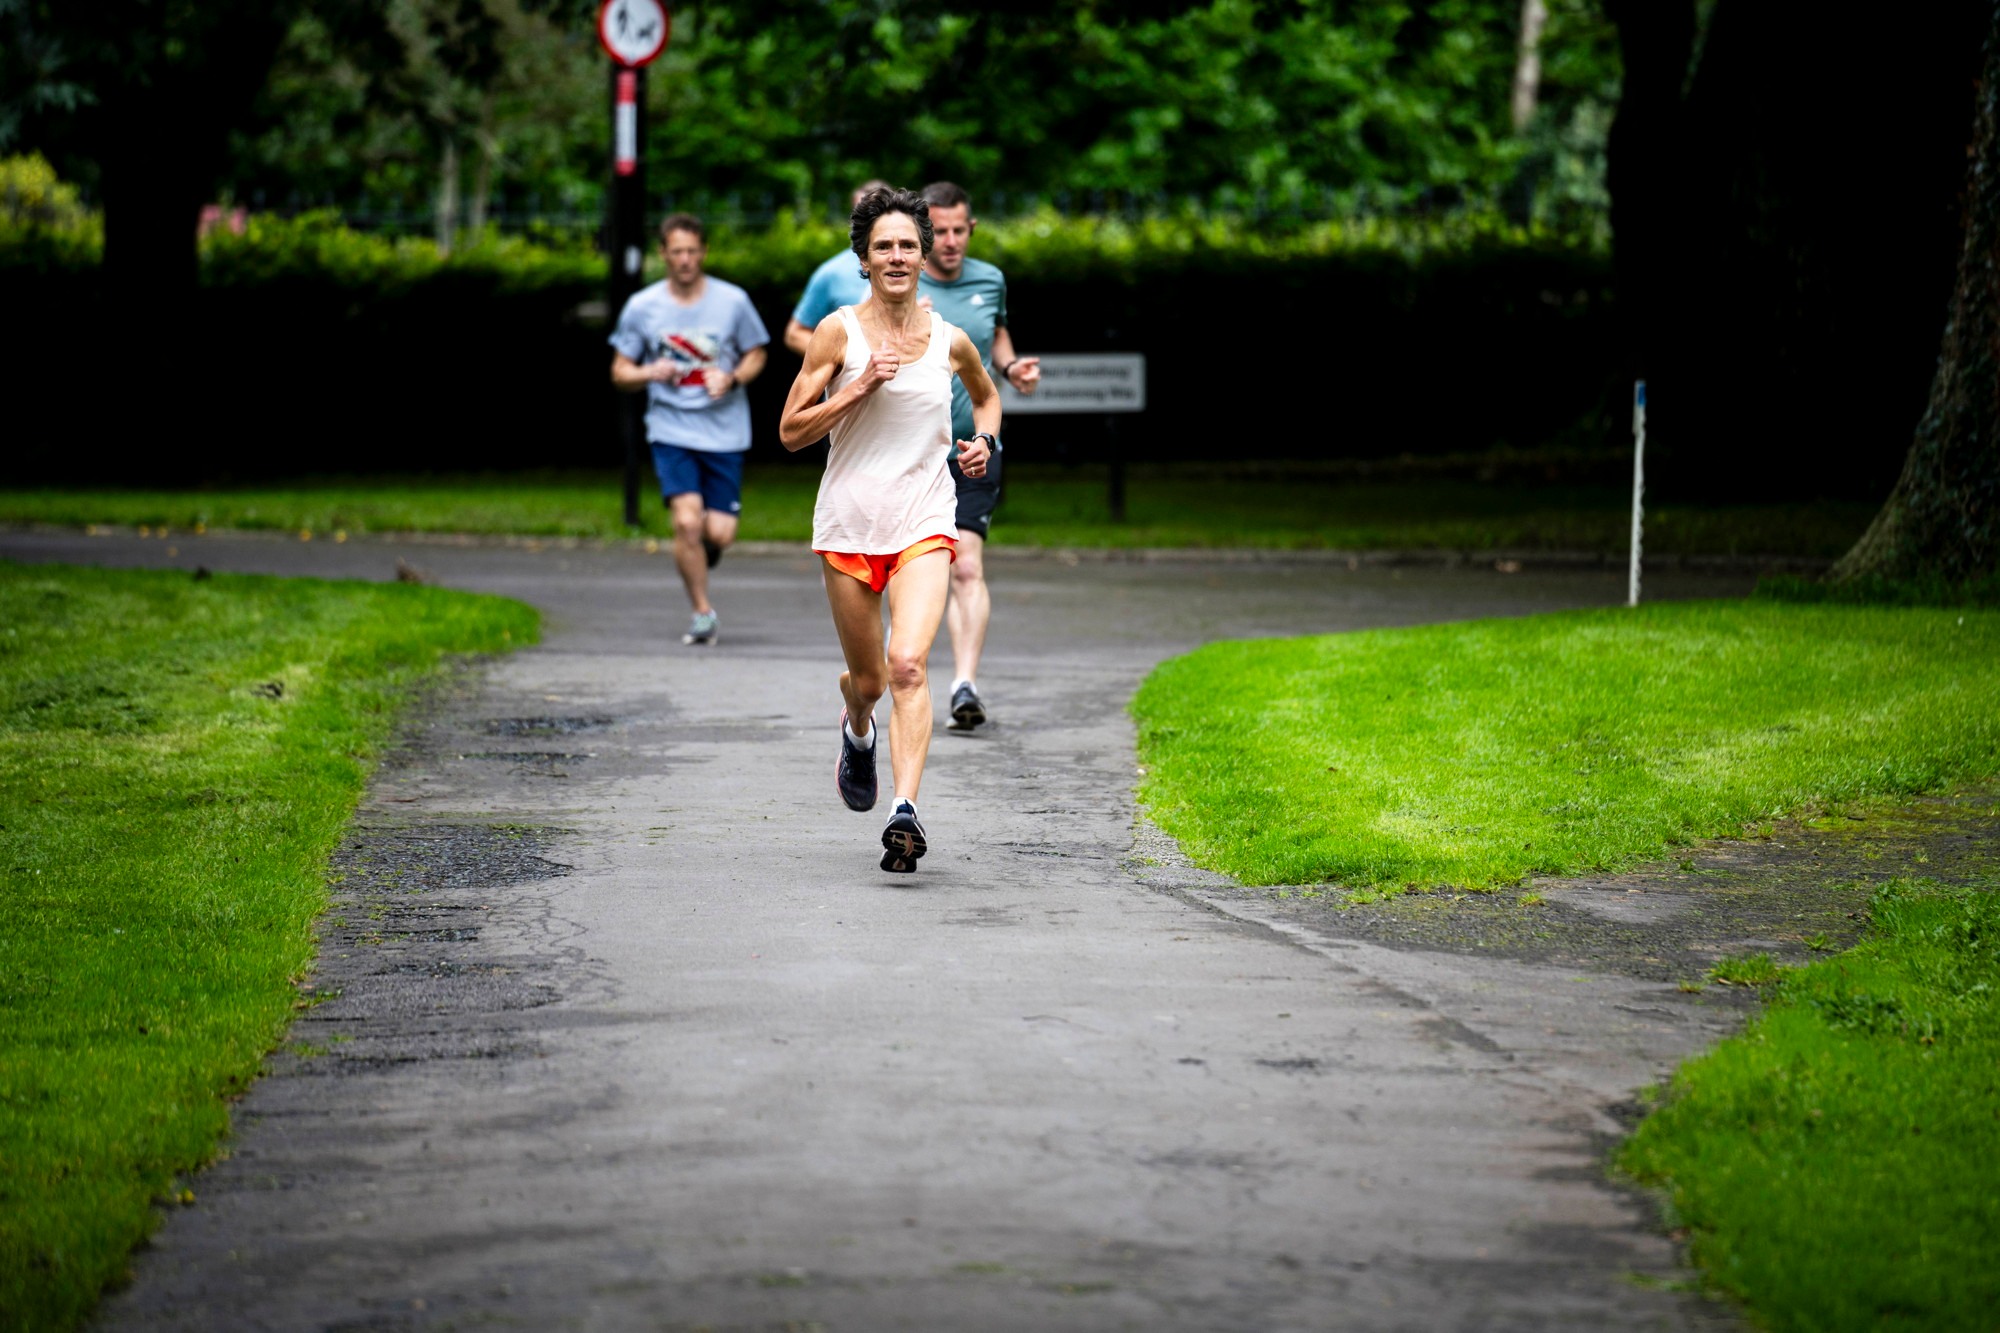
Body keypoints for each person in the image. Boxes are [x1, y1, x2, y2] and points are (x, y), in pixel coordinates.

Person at [778, 188, 999, 874]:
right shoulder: (839, 332)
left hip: (926, 520)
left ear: (924, 255)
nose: (898, 256)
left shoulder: (948, 339)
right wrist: (859, 386)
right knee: (870, 678)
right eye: (884, 247)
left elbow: (986, 396)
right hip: (848, 524)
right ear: (864, 260)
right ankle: (855, 723)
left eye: (909, 244)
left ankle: (904, 811)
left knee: (907, 664)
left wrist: (982, 441)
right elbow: (790, 430)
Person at [610, 213, 770, 645]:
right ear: (663, 254)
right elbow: (620, 371)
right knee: (685, 522)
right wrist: (649, 372)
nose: (684, 259)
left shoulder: (732, 301)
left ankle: (704, 547)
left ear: (703, 252)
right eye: (676, 251)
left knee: (718, 532)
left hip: (725, 431)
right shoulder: (642, 307)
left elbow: (757, 353)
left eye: (692, 251)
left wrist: (732, 377)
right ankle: (702, 612)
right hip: (670, 428)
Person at [918, 181, 1041, 731]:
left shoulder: (990, 279)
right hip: (911, 451)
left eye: (958, 230)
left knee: (965, 564)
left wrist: (1013, 369)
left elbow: (997, 338)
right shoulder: (899, 278)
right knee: (916, 567)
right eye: (938, 231)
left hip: (975, 447)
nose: (949, 241)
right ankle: (905, 670)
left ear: (971, 228)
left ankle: (964, 682)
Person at [783, 179, 892, 356]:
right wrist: (844, 359)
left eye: (877, 215)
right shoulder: (833, 272)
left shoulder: (916, 266)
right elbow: (795, 334)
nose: (869, 223)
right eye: (860, 215)